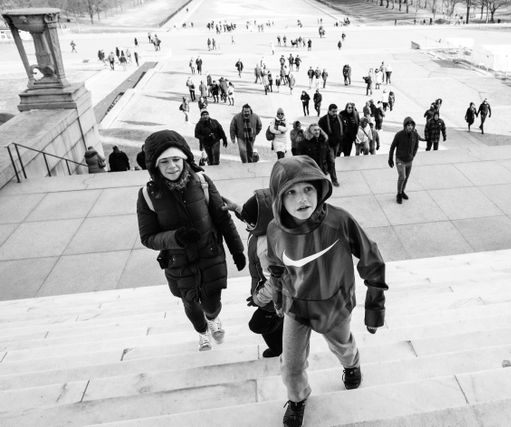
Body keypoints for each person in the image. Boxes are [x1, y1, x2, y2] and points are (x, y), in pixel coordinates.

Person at [267, 155, 387, 427]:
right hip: (296, 307)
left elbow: (371, 258)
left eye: (308, 189)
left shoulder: (339, 220)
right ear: (279, 199)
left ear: (319, 189)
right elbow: (276, 267)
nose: (302, 199)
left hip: (334, 305)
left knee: (343, 348)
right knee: (291, 365)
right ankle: (297, 399)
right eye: (292, 192)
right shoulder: (275, 230)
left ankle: (351, 364)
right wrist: (277, 295)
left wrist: (375, 306)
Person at [137, 130, 246, 351]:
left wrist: (237, 249)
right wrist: (175, 238)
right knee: (190, 304)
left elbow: (222, 217)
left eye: (176, 159)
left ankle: (213, 318)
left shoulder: (202, 181)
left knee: (212, 302)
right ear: (154, 166)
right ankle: (202, 331)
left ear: (185, 158)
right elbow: (147, 237)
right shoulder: (148, 194)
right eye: (164, 161)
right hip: (179, 263)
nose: (172, 166)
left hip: (210, 256)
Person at [224, 190, 283, 358]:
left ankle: (279, 348)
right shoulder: (266, 225)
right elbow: (255, 215)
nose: (247, 226)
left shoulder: (266, 248)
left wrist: (259, 298)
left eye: (250, 224)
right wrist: (236, 208)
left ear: (261, 223)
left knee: (258, 325)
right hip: (265, 290)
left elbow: (275, 282)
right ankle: (280, 324)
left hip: (273, 297)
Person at [388, 117, 425, 204]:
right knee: (402, 177)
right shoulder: (399, 135)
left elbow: (416, 146)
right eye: (408, 125)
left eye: (411, 125)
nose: (410, 127)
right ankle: (399, 194)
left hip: (409, 161)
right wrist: (390, 158)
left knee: (406, 178)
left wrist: (413, 155)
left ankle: (402, 191)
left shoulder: (415, 135)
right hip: (400, 160)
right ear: (405, 126)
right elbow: (392, 147)